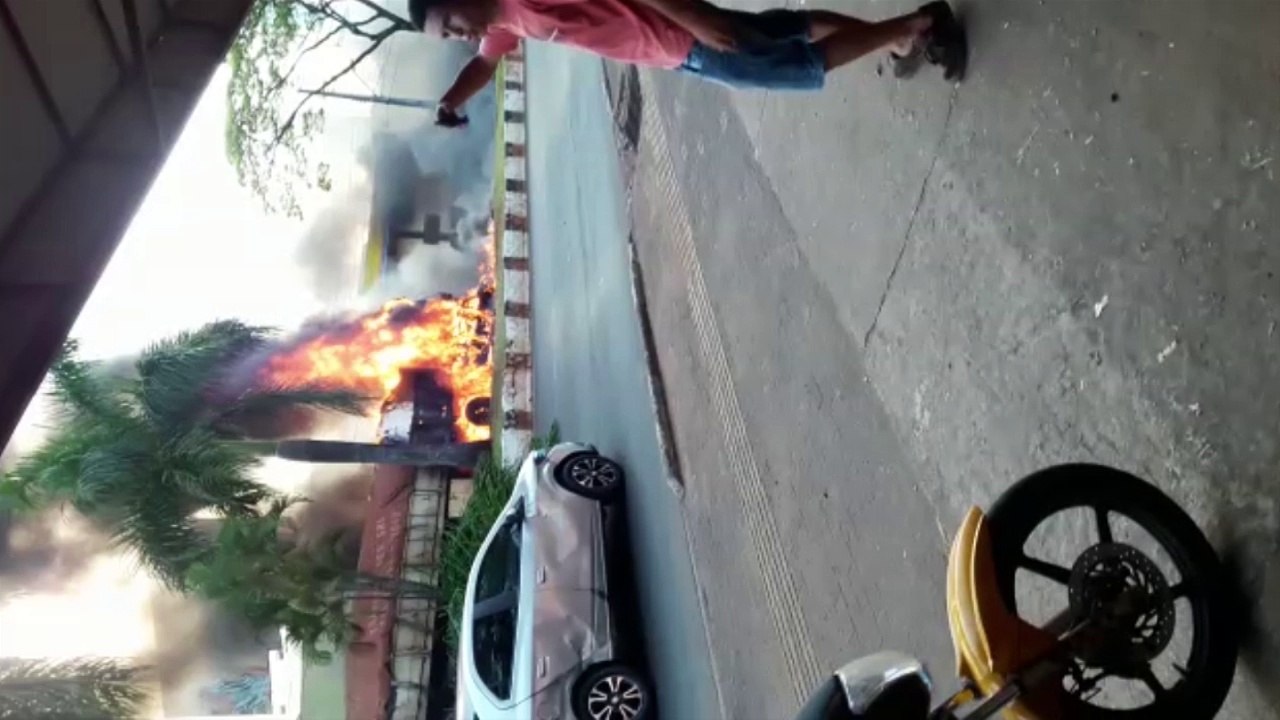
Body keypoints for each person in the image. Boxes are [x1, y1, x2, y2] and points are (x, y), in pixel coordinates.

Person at [409, 0, 966, 127]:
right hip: (674, 48)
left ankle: (916, 27)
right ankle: (898, 40)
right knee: (787, 29)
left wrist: (695, 21)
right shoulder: (501, 23)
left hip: (678, 38)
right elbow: (483, 65)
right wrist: (450, 101)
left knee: (799, 66)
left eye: (450, 23)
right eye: (450, 37)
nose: (460, 35)